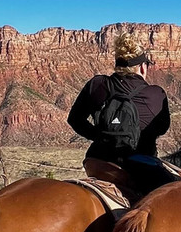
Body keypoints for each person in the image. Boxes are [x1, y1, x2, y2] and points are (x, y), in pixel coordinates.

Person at [68, 32, 173, 194]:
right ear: (142, 67)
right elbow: (162, 128)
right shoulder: (156, 94)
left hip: (98, 162)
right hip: (140, 165)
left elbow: (74, 119)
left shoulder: (97, 84)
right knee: (176, 193)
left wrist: (102, 136)